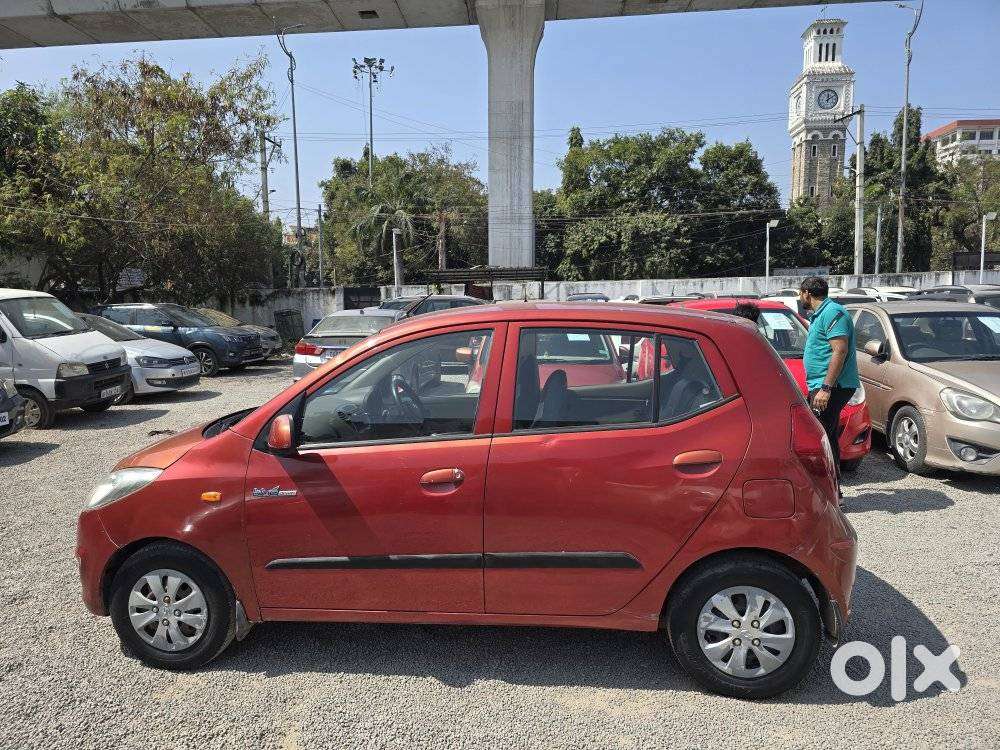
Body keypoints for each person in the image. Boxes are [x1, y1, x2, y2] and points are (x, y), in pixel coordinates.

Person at [799, 277, 860, 491]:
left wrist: (826, 388)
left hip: (832, 386)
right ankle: (832, 489)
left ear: (806, 293)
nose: (800, 297)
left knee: (822, 436)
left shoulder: (833, 313)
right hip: (822, 384)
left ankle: (832, 491)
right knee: (827, 433)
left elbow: (840, 350)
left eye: (801, 293)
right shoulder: (821, 314)